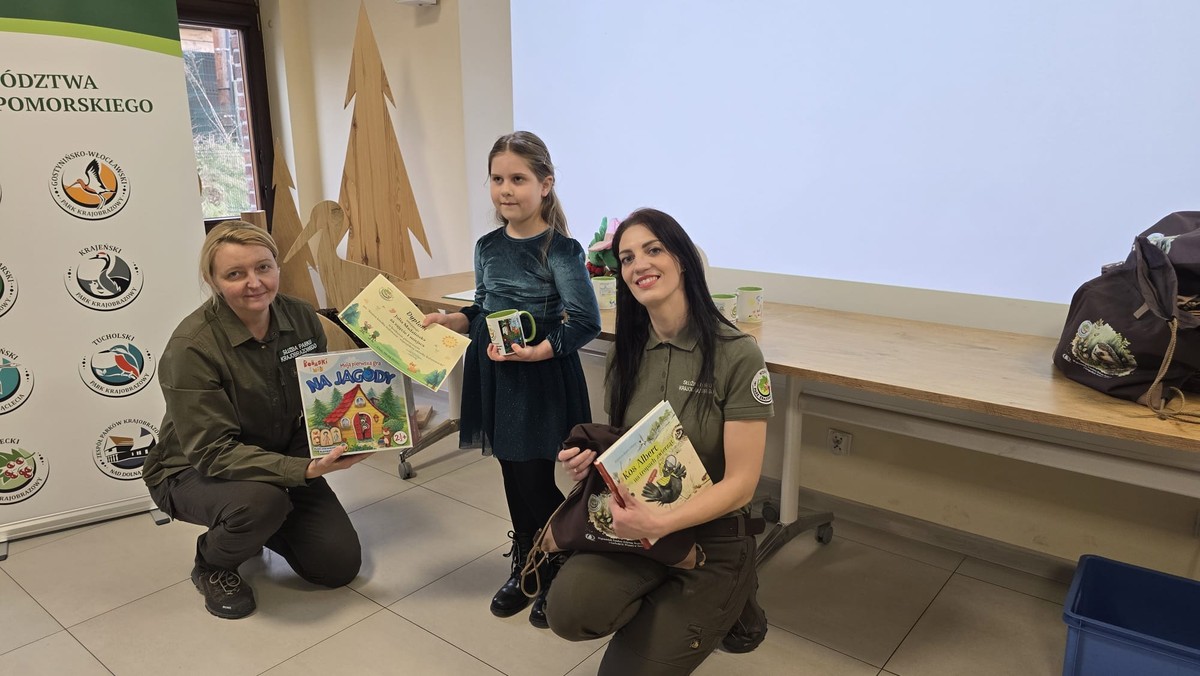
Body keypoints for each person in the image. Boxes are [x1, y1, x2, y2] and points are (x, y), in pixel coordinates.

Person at [549, 208, 772, 674]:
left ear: (683, 260)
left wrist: (662, 522)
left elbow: (743, 485)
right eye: (628, 258)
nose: (639, 265)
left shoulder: (738, 354)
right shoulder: (627, 354)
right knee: (568, 611)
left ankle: (730, 598)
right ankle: (669, 610)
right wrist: (590, 460)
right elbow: (627, 447)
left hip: (712, 536)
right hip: (641, 527)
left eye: (653, 250)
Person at [142, 221, 366, 620]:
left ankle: (260, 522)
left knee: (336, 566)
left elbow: (319, 399)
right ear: (212, 281)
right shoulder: (191, 347)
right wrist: (303, 470)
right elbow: (211, 452)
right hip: (192, 469)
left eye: (263, 267)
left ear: (277, 267)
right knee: (261, 503)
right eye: (235, 274)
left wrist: (371, 428)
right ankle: (212, 563)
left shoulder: (301, 317)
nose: (254, 283)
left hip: (277, 453)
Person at [422, 131, 601, 628]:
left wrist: (539, 350)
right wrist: (451, 320)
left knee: (534, 478)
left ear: (545, 184)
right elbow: (482, 308)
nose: (505, 189)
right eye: (497, 179)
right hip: (496, 375)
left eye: (518, 179)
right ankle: (527, 559)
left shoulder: (561, 250)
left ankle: (558, 559)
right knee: (510, 472)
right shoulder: (487, 246)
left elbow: (585, 321)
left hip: (540, 378)